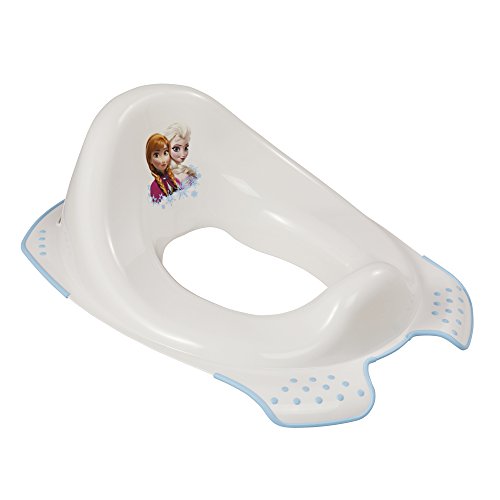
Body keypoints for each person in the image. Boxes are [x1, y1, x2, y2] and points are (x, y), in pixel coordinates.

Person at [146, 133, 181, 203]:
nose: (163, 160)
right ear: (150, 160)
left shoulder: (175, 181)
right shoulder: (155, 187)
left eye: (165, 153)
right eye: (156, 155)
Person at [164, 122, 197, 188]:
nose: (183, 154)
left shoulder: (182, 171)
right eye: (176, 149)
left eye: (186, 148)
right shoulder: (178, 176)